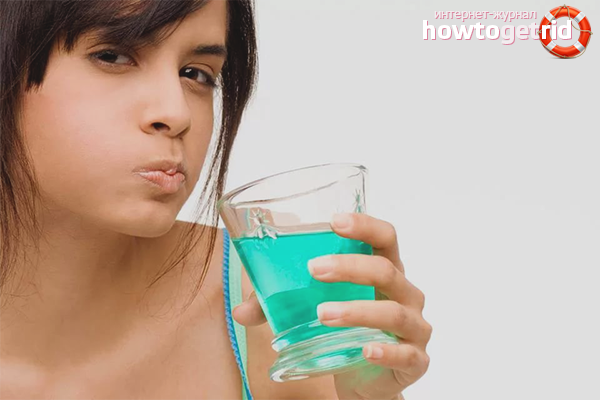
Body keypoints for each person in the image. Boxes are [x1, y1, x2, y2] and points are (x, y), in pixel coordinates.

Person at [0, 0, 432, 398]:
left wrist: (365, 395)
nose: (176, 113)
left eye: (196, 74)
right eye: (112, 55)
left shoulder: (270, 309)